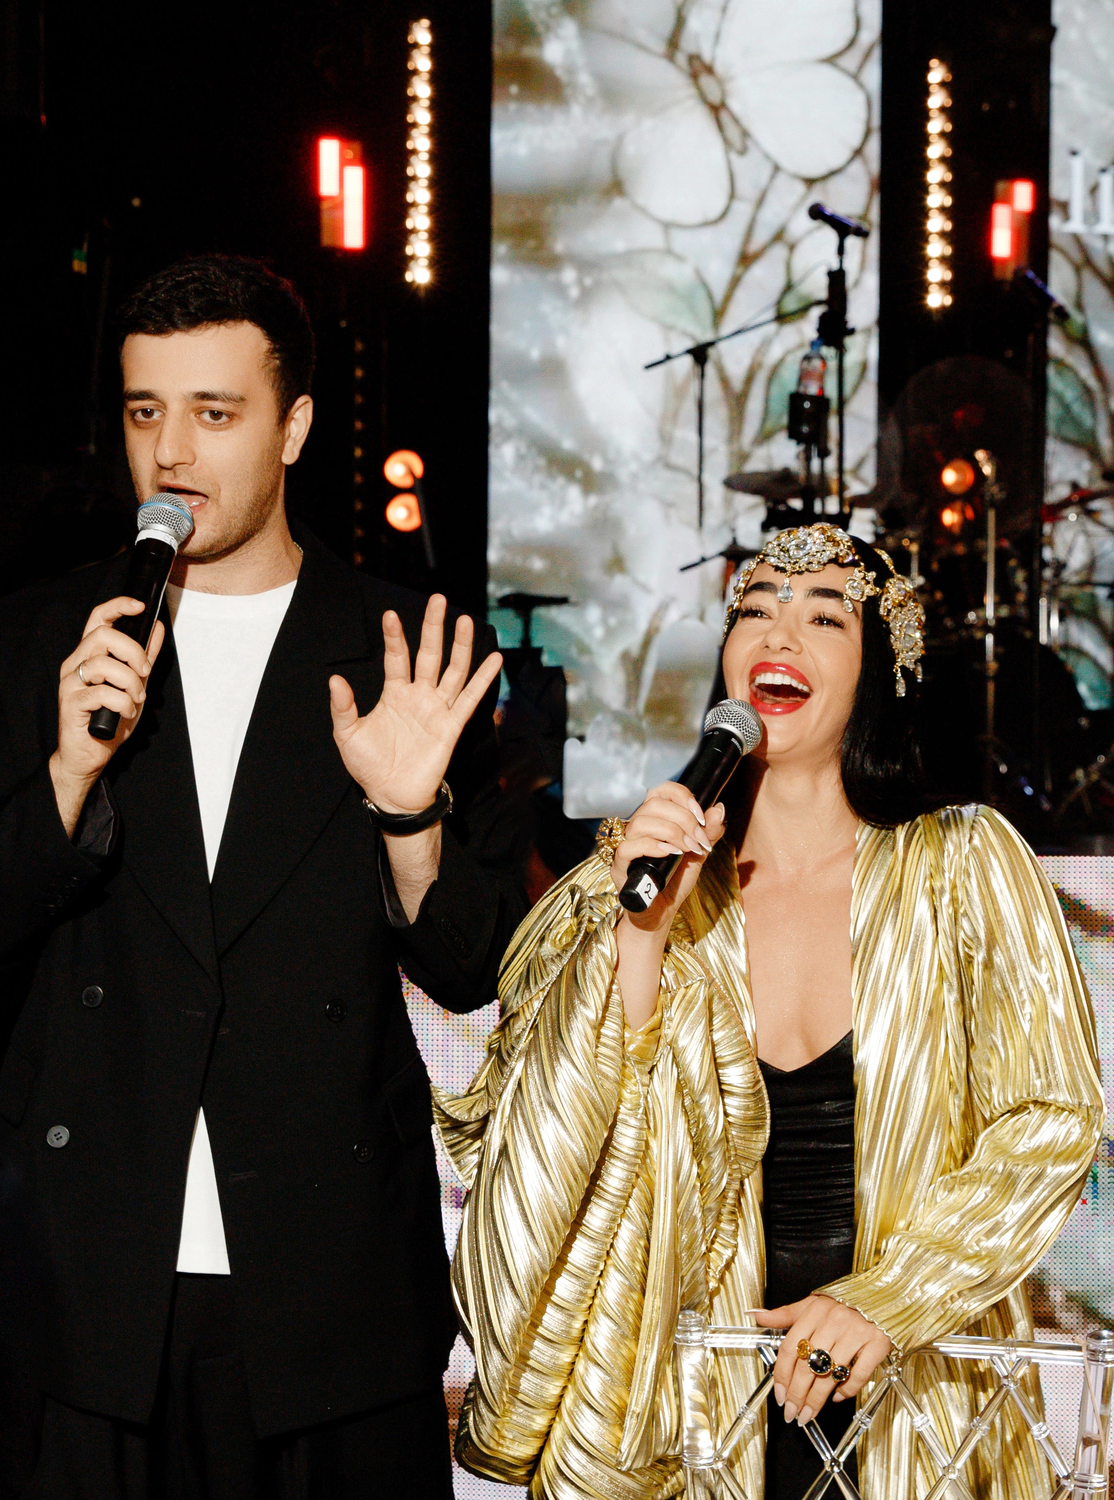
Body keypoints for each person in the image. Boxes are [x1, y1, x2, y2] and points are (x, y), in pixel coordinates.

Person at [0, 254, 526, 1499]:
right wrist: (66, 775)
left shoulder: (399, 648)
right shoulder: (36, 641)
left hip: (326, 1292)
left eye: (215, 413)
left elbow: (477, 965)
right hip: (82, 1285)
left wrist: (410, 815)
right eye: (144, 411)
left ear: (295, 427)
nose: (172, 452)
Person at [436, 523, 1104, 1499]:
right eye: (754, 611)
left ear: (881, 669)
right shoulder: (630, 882)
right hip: (697, 1404)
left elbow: (1049, 1121)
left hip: (919, 1403)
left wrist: (889, 1299)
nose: (778, 634)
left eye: (824, 618)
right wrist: (640, 939)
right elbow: (541, 1144)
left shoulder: (963, 865)